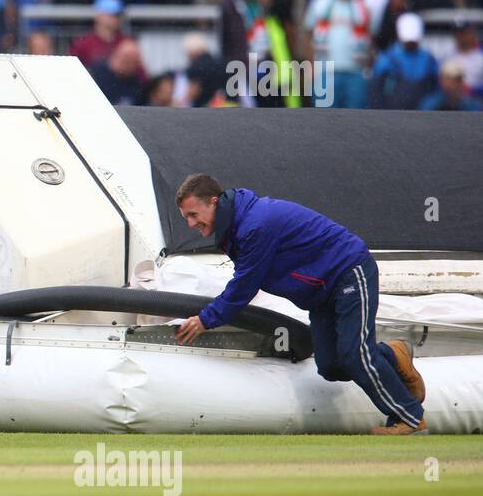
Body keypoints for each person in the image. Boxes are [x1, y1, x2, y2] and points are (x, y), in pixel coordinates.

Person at [173, 174, 427, 435]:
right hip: (320, 293)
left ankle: (408, 417)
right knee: (330, 366)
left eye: (193, 214)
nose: (191, 223)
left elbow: (245, 285)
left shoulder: (254, 225)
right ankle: (393, 355)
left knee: (356, 354)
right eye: (186, 218)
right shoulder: (235, 229)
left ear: (213, 202)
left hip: (348, 271)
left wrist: (206, 319)